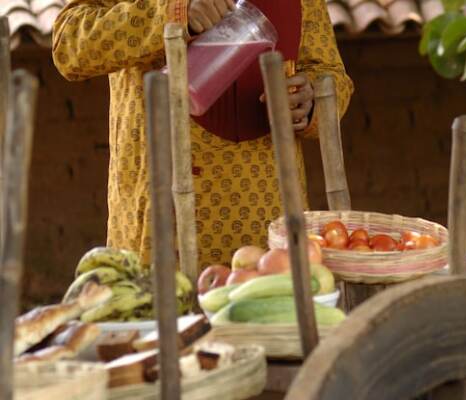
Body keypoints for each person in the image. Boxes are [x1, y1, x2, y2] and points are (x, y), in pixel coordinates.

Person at [52, 0, 353, 268]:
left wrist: (310, 101)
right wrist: (172, 14)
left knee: (272, 320)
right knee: (164, 321)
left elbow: (330, 74)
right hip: (164, 219)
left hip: (271, 220)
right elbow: (69, 44)